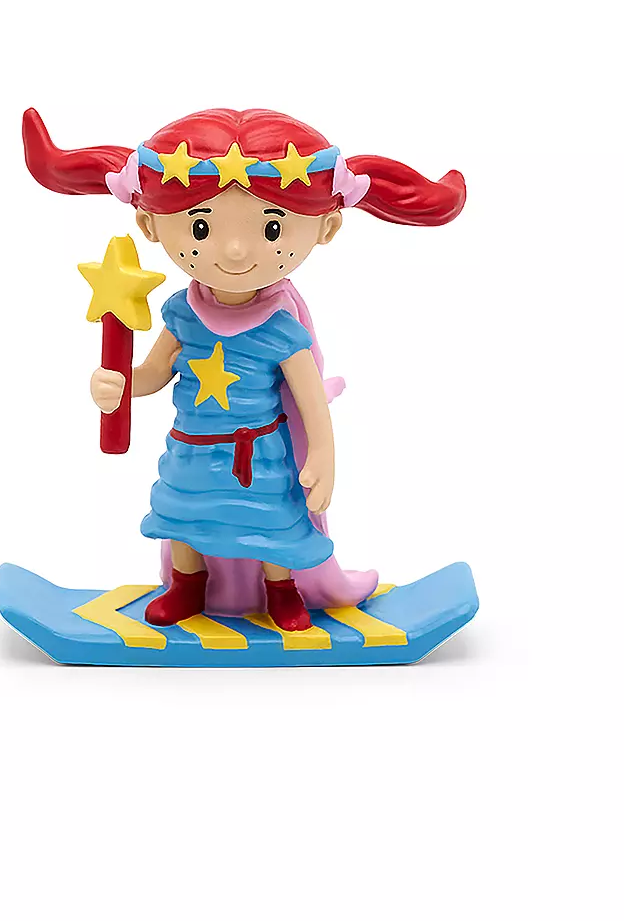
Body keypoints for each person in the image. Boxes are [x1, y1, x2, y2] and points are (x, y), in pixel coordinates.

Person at [23, 107, 466, 630]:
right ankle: (187, 586)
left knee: (271, 522)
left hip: (257, 453)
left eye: (272, 228)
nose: (235, 251)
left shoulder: (280, 327)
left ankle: (281, 589)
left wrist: (323, 455)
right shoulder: (183, 314)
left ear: (326, 228)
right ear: (148, 225)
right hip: (191, 447)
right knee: (183, 516)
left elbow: (309, 399)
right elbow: (154, 372)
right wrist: (119, 384)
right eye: (202, 227)